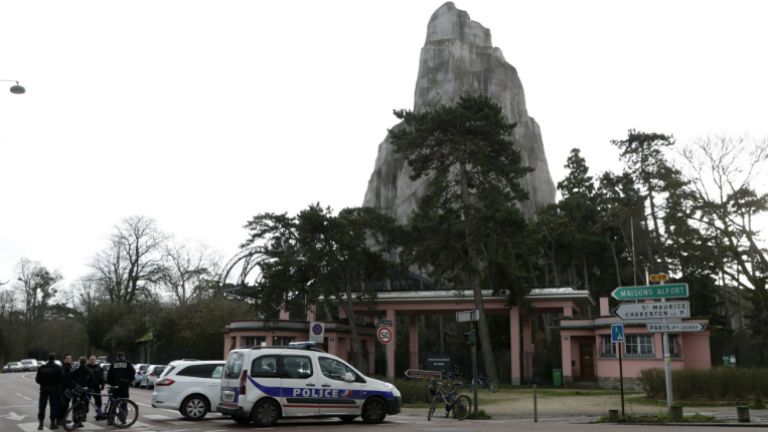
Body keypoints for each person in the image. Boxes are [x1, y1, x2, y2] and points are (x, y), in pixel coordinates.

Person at [35, 353, 64, 430]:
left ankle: (41, 424)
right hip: (54, 389)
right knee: (53, 406)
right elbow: (61, 380)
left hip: (44, 389)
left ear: (48, 358)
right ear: (54, 358)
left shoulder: (42, 368)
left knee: (42, 406)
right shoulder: (58, 368)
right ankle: (52, 423)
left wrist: (43, 383)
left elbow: (37, 380)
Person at [106, 352, 135, 426]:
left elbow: (109, 375)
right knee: (124, 402)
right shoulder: (127, 363)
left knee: (113, 403)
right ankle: (123, 419)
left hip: (115, 386)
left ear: (117, 357)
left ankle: (111, 419)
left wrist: (111, 383)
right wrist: (129, 381)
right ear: (123, 356)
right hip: (124, 386)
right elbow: (132, 373)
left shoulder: (113, 364)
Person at [66, 357, 93, 429]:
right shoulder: (88, 371)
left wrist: (74, 386)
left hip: (77, 390)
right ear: (86, 362)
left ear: (79, 362)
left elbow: (69, 378)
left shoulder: (76, 371)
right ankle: (80, 420)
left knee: (75, 405)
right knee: (84, 406)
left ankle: (75, 420)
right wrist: (90, 388)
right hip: (85, 391)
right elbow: (91, 381)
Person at [58, 354, 73, 427]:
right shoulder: (63, 367)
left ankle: (63, 419)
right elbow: (63, 379)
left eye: (70, 358)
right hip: (63, 389)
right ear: (64, 359)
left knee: (66, 404)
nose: (69, 360)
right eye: (67, 358)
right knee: (62, 405)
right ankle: (59, 419)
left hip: (69, 389)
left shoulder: (70, 367)